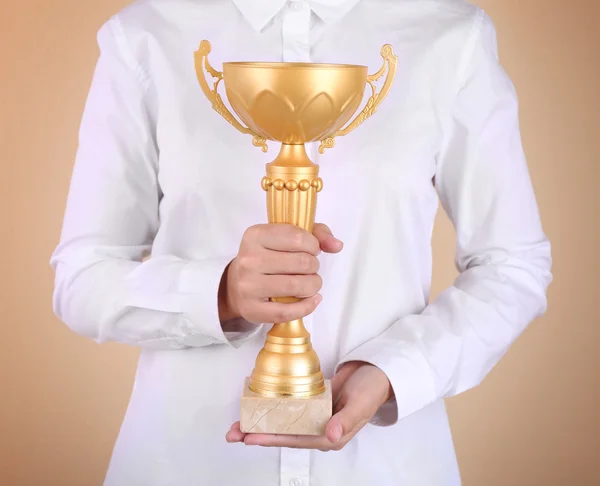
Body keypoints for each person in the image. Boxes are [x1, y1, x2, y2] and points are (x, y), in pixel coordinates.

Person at [50, 0, 553, 484]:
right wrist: (219, 294)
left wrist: (395, 368)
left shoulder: (449, 34)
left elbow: (513, 265)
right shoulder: (147, 34)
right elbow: (83, 276)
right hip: (185, 464)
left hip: (387, 467)